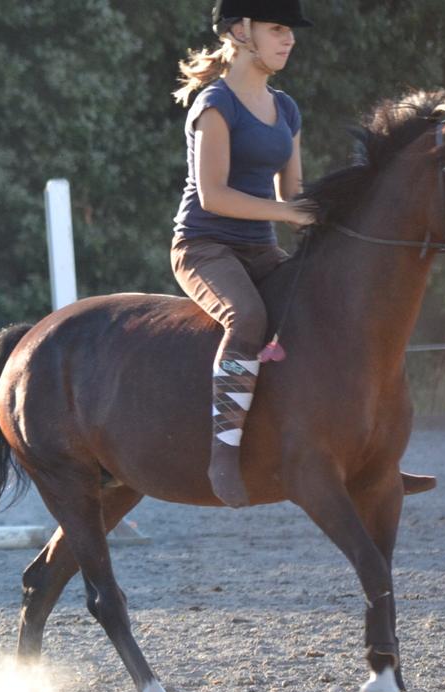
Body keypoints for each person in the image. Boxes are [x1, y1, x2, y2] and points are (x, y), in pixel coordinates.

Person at [170, 0, 315, 507]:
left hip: (259, 248)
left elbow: (293, 195)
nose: (289, 39)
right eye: (278, 28)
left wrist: (328, 215)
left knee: (320, 310)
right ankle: (225, 454)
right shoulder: (215, 104)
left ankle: (350, 444)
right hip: (204, 245)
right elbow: (214, 196)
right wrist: (290, 215)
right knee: (249, 317)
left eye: (290, 31)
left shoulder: (287, 109)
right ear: (240, 31)